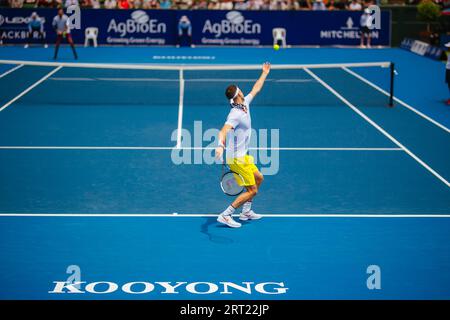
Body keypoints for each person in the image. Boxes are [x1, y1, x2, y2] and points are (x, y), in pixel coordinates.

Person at [215, 62, 271, 228]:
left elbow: (256, 89)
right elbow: (223, 130)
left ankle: (246, 212)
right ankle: (226, 214)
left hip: (243, 156)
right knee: (252, 190)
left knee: (259, 178)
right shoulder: (235, 114)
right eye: (240, 89)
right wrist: (219, 145)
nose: (242, 90)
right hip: (236, 159)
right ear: (238, 93)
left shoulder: (245, 103)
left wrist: (264, 73)